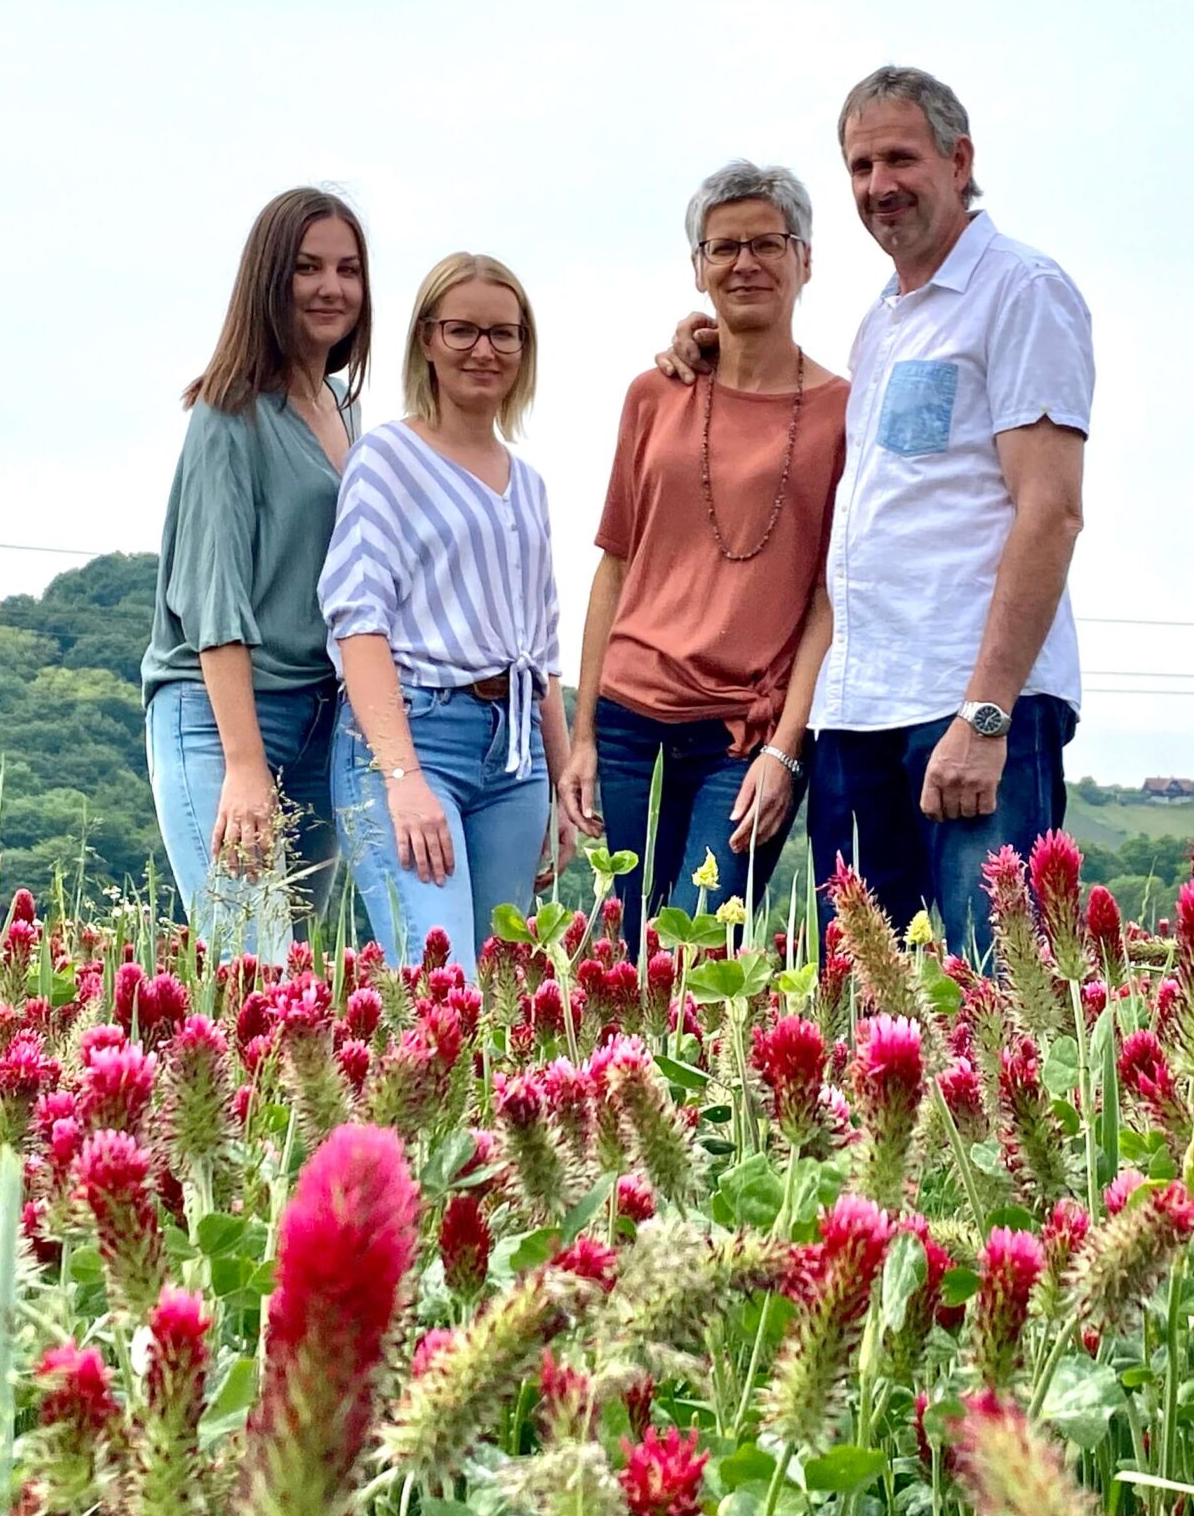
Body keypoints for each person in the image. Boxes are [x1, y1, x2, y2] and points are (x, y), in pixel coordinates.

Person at [666, 66, 1092, 952]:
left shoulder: (1022, 291)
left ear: (959, 158)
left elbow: (1049, 512)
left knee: (997, 997)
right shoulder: (883, 318)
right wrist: (715, 343)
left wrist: (985, 718)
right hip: (860, 716)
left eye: (899, 158)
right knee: (863, 1011)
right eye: (859, 167)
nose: (877, 186)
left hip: (966, 707)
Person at [560, 163, 849, 929]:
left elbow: (830, 597)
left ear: (807, 260)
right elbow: (614, 564)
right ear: (697, 268)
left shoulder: (844, 411)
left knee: (696, 945)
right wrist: (581, 736)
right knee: (612, 950)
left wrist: (786, 749)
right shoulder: (654, 393)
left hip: (742, 736)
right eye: (722, 248)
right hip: (624, 720)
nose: (744, 263)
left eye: (767, 243)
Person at [141, 187, 369, 960]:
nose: (331, 287)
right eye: (307, 268)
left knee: (297, 972)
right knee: (251, 963)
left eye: (348, 268)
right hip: (221, 719)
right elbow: (213, 602)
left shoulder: (343, 407)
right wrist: (244, 766)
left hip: (319, 726)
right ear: (269, 279)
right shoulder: (227, 412)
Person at [323, 252, 567, 967]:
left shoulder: (528, 484)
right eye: (462, 330)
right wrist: (401, 777)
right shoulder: (386, 459)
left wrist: (555, 780)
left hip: (513, 755)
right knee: (439, 984)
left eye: (504, 334)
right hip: (415, 736)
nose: (484, 351)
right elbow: (358, 622)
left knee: (501, 995)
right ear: (427, 338)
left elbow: (541, 648)